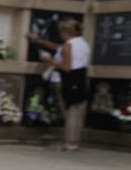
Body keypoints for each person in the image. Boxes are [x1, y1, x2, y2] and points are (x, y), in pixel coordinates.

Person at [29, 18, 90, 151]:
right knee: (77, 112)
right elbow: (57, 47)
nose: (60, 34)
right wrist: (40, 41)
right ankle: (75, 142)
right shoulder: (83, 43)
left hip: (69, 78)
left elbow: (66, 67)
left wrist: (50, 60)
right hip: (81, 77)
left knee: (69, 113)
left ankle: (68, 142)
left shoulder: (69, 44)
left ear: (68, 31)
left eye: (62, 31)